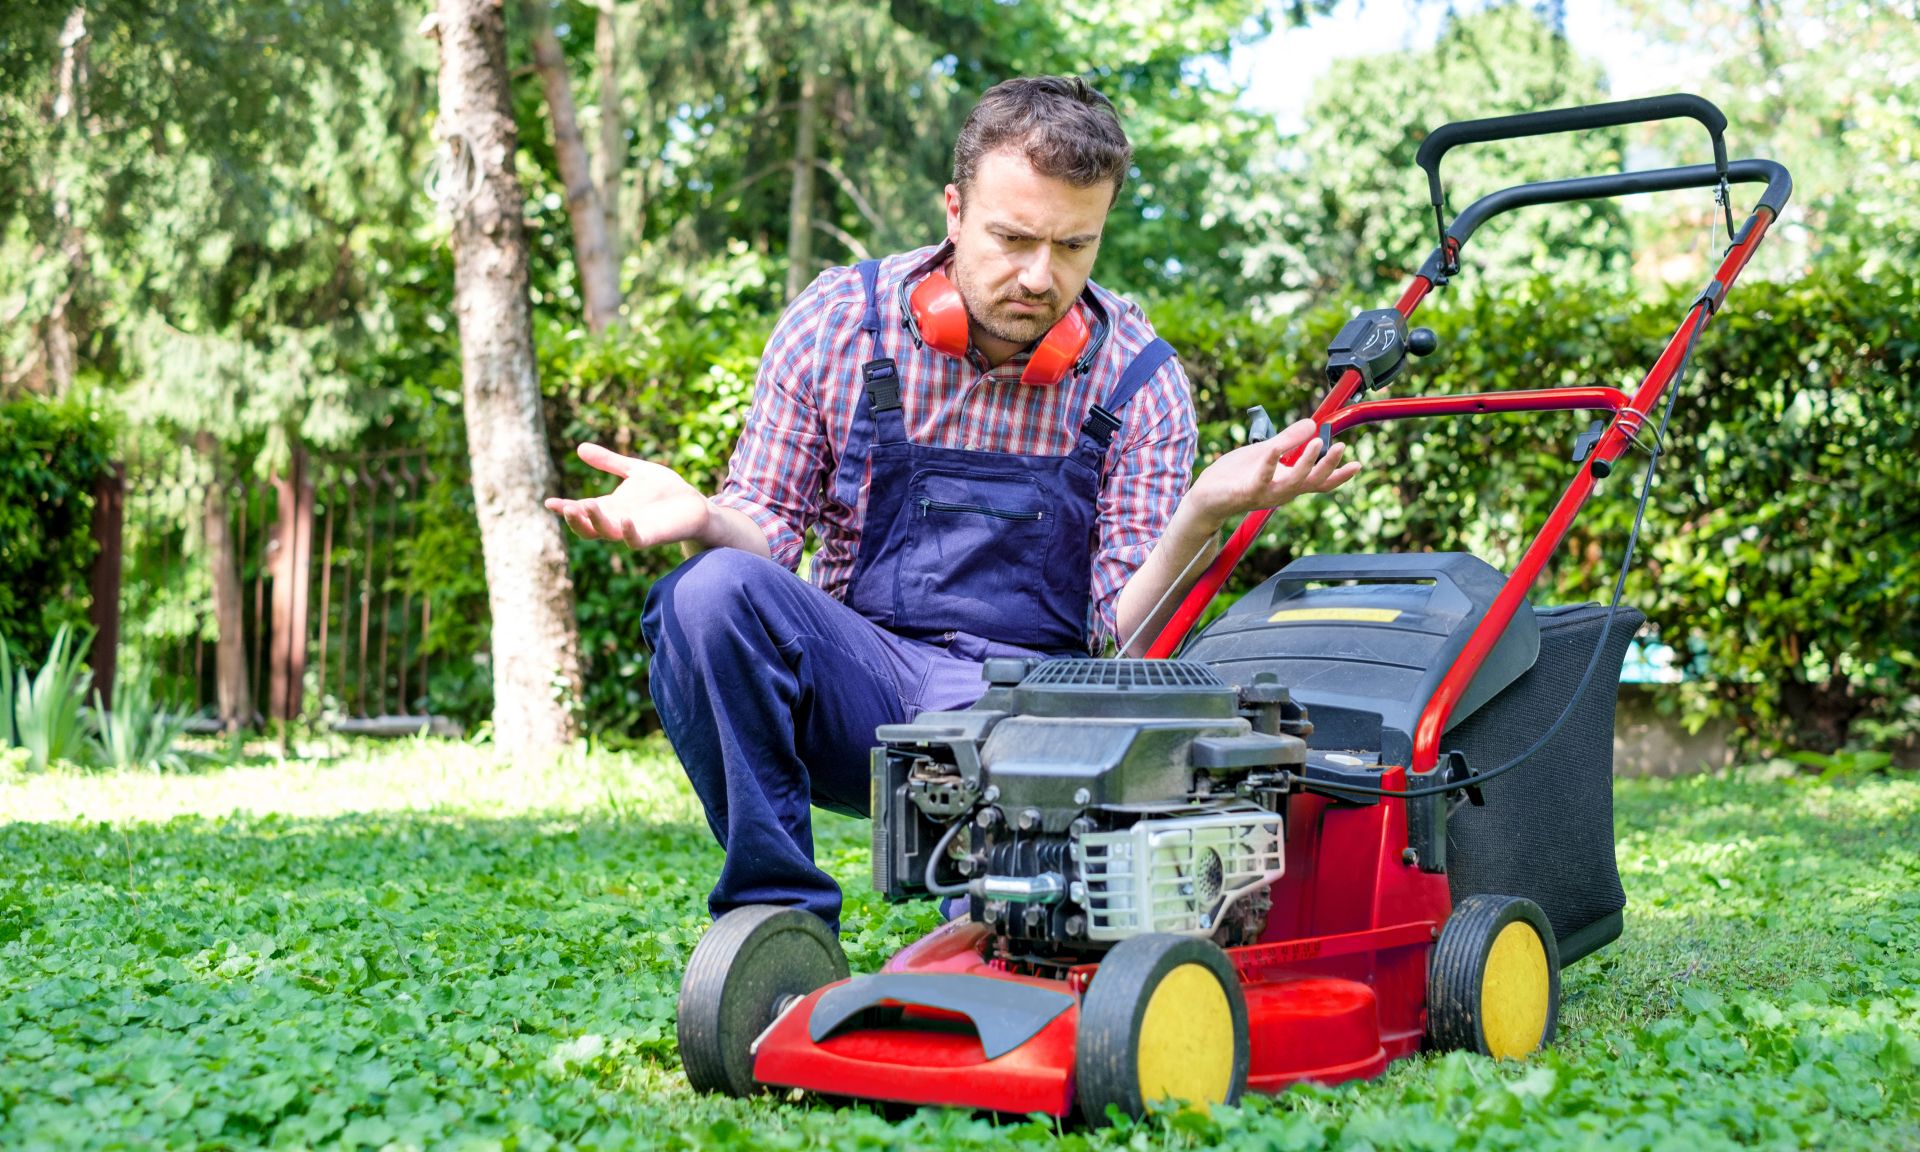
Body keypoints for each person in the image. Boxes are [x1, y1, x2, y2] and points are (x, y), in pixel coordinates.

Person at [547, 76, 1359, 931]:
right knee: (704, 592)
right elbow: (766, 536)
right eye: (1011, 237)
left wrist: (1203, 511)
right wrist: (705, 519)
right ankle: (776, 917)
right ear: (952, 211)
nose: (1040, 278)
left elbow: (1127, 645)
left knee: (1016, 935)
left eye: (1075, 247)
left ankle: (999, 905)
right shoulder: (840, 323)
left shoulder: (1140, 379)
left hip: (1034, 715)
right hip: (862, 685)